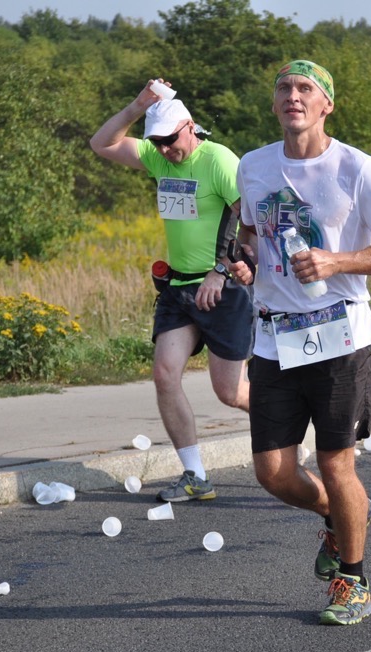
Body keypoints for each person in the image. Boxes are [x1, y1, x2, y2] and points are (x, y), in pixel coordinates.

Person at [229, 60, 371, 626]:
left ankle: (353, 582)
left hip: (340, 334)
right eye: (284, 88)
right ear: (274, 104)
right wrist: (246, 261)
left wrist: (338, 261)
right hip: (274, 337)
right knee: (272, 472)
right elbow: (251, 232)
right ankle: (342, 515)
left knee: (337, 464)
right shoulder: (253, 165)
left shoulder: (357, 168)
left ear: (326, 105)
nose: (293, 95)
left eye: (305, 88)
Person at [90, 80, 254, 503]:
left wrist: (222, 269)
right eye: (156, 142)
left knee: (231, 392)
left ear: (190, 127)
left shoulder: (219, 160)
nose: (164, 150)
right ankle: (195, 475)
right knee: (165, 374)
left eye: (170, 140)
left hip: (223, 288)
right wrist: (137, 106)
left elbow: (251, 221)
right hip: (178, 287)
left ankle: (292, 424)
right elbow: (101, 144)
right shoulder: (157, 158)